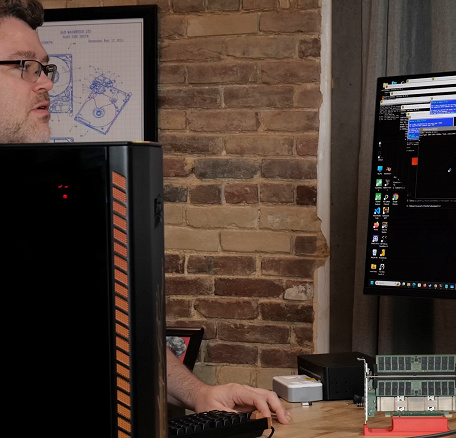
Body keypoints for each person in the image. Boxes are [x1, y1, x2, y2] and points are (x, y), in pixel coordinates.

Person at [0, 0, 291, 424]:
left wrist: (200, 393)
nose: (45, 83)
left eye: (46, 68)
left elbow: (118, 328)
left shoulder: (49, 194)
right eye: (25, 66)